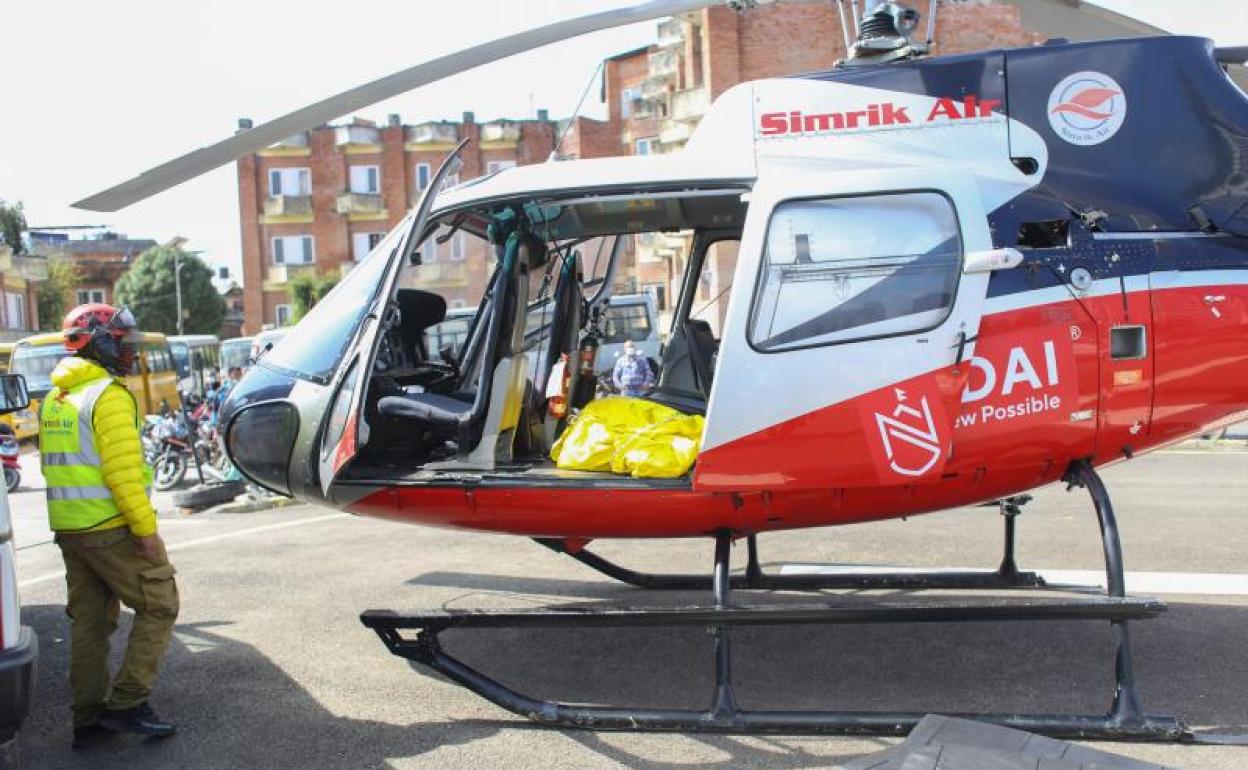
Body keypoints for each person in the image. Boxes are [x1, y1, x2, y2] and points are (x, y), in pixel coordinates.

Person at [40, 304, 178, 748]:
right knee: (160, 603)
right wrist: (146, 533)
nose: (127, 351)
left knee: (90, 623)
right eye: (120, 342)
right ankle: (128, 704)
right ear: (97, 343)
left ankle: (88, 721)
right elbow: (122, 475)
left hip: (70, 528)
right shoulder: (108, 395)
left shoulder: (56, 397)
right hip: (110, 526)